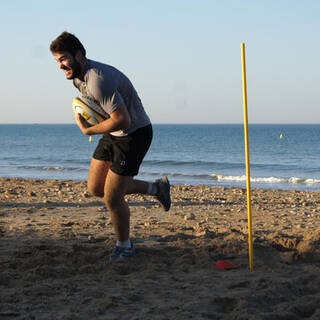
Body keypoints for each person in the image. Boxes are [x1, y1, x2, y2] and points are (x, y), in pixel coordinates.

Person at [50, 31, 171, 261]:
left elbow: (123, 119)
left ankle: (124, 247)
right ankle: (158, 189)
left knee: (113, 198)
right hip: (113, 130)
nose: (60, 65)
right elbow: (105, 113)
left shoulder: (97, 80)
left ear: (78, 55)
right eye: (57, 60)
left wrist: (88, 130)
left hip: (134, 134)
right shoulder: (77, 77)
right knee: (97, 188)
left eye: (63, 58)